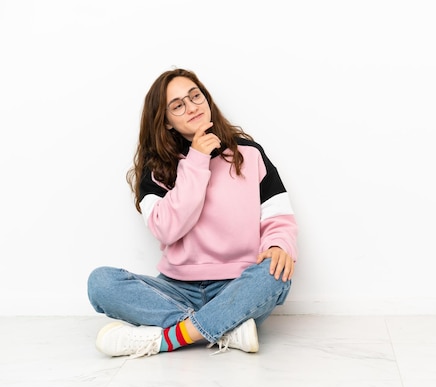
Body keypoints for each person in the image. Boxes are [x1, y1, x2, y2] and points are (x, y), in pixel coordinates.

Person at [87, 68, 297, 358]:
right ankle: (225, 328)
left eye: (195, 96)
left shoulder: (249, 153)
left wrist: (277, 246)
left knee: (275, 274)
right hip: (175, 289)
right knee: (101, 283)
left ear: (206, 99)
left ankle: (167, 339)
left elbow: (278, 216)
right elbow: (166, 229)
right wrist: (197, 160)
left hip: (237, 285)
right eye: (178, 105)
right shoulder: (157, 170)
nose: (191, 107)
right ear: (168, 122)